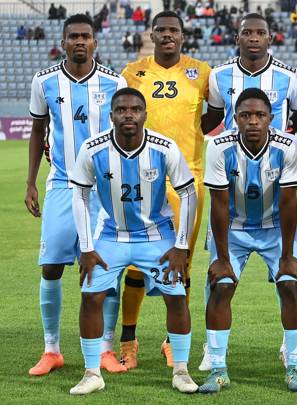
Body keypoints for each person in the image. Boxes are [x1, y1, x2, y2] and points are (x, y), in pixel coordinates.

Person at [199, 12, 297, 371]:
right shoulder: (219, 77)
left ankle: (291, 355)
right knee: (218, 281)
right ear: (237, 36)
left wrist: (284, 137)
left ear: (270, 37)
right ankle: (212, 353)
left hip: (272, 190)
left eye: (259, 32)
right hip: (233, 193)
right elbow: (212, 119)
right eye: (246, 32)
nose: (252, 38)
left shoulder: (290, 78)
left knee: (291, 282)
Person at [69, 88, 198, 395]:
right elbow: (80, 195)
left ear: (145, 114)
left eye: (135, 109)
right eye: (122, 110)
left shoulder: (164, 147)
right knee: (90, 296)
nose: (129, 114)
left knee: (177, 296)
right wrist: (86, 248)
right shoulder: (93, 148)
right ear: (111, 115)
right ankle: (91, 373)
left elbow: (188, 193)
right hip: (112, 235)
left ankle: (181, 370)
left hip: (156, 235)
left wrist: (181, 246)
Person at [25, 13, 128, 377]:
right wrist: (31, 182)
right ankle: (51, 349)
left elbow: (128, 131)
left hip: (104, 191)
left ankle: (106, 348)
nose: (80, 41)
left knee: (107, 269)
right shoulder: (45, 81)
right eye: (74, 37)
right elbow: (38, 131)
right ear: (64, 41)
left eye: (86, 36)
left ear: (95, 42)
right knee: (51, 266)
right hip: (63, 185)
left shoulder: (116, 82)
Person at [120, 10, 213, 369]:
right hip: (141, 177)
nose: (167, 35)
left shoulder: (201, 72)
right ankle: (128, 340)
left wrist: (190, 137)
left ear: (183, 35)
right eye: (161, 30)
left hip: (188, 177)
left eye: (174, 30)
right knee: (137, 262)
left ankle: (173, 340)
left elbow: (214, 113)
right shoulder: (134, 71)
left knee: (182, 261)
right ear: (152, 34)